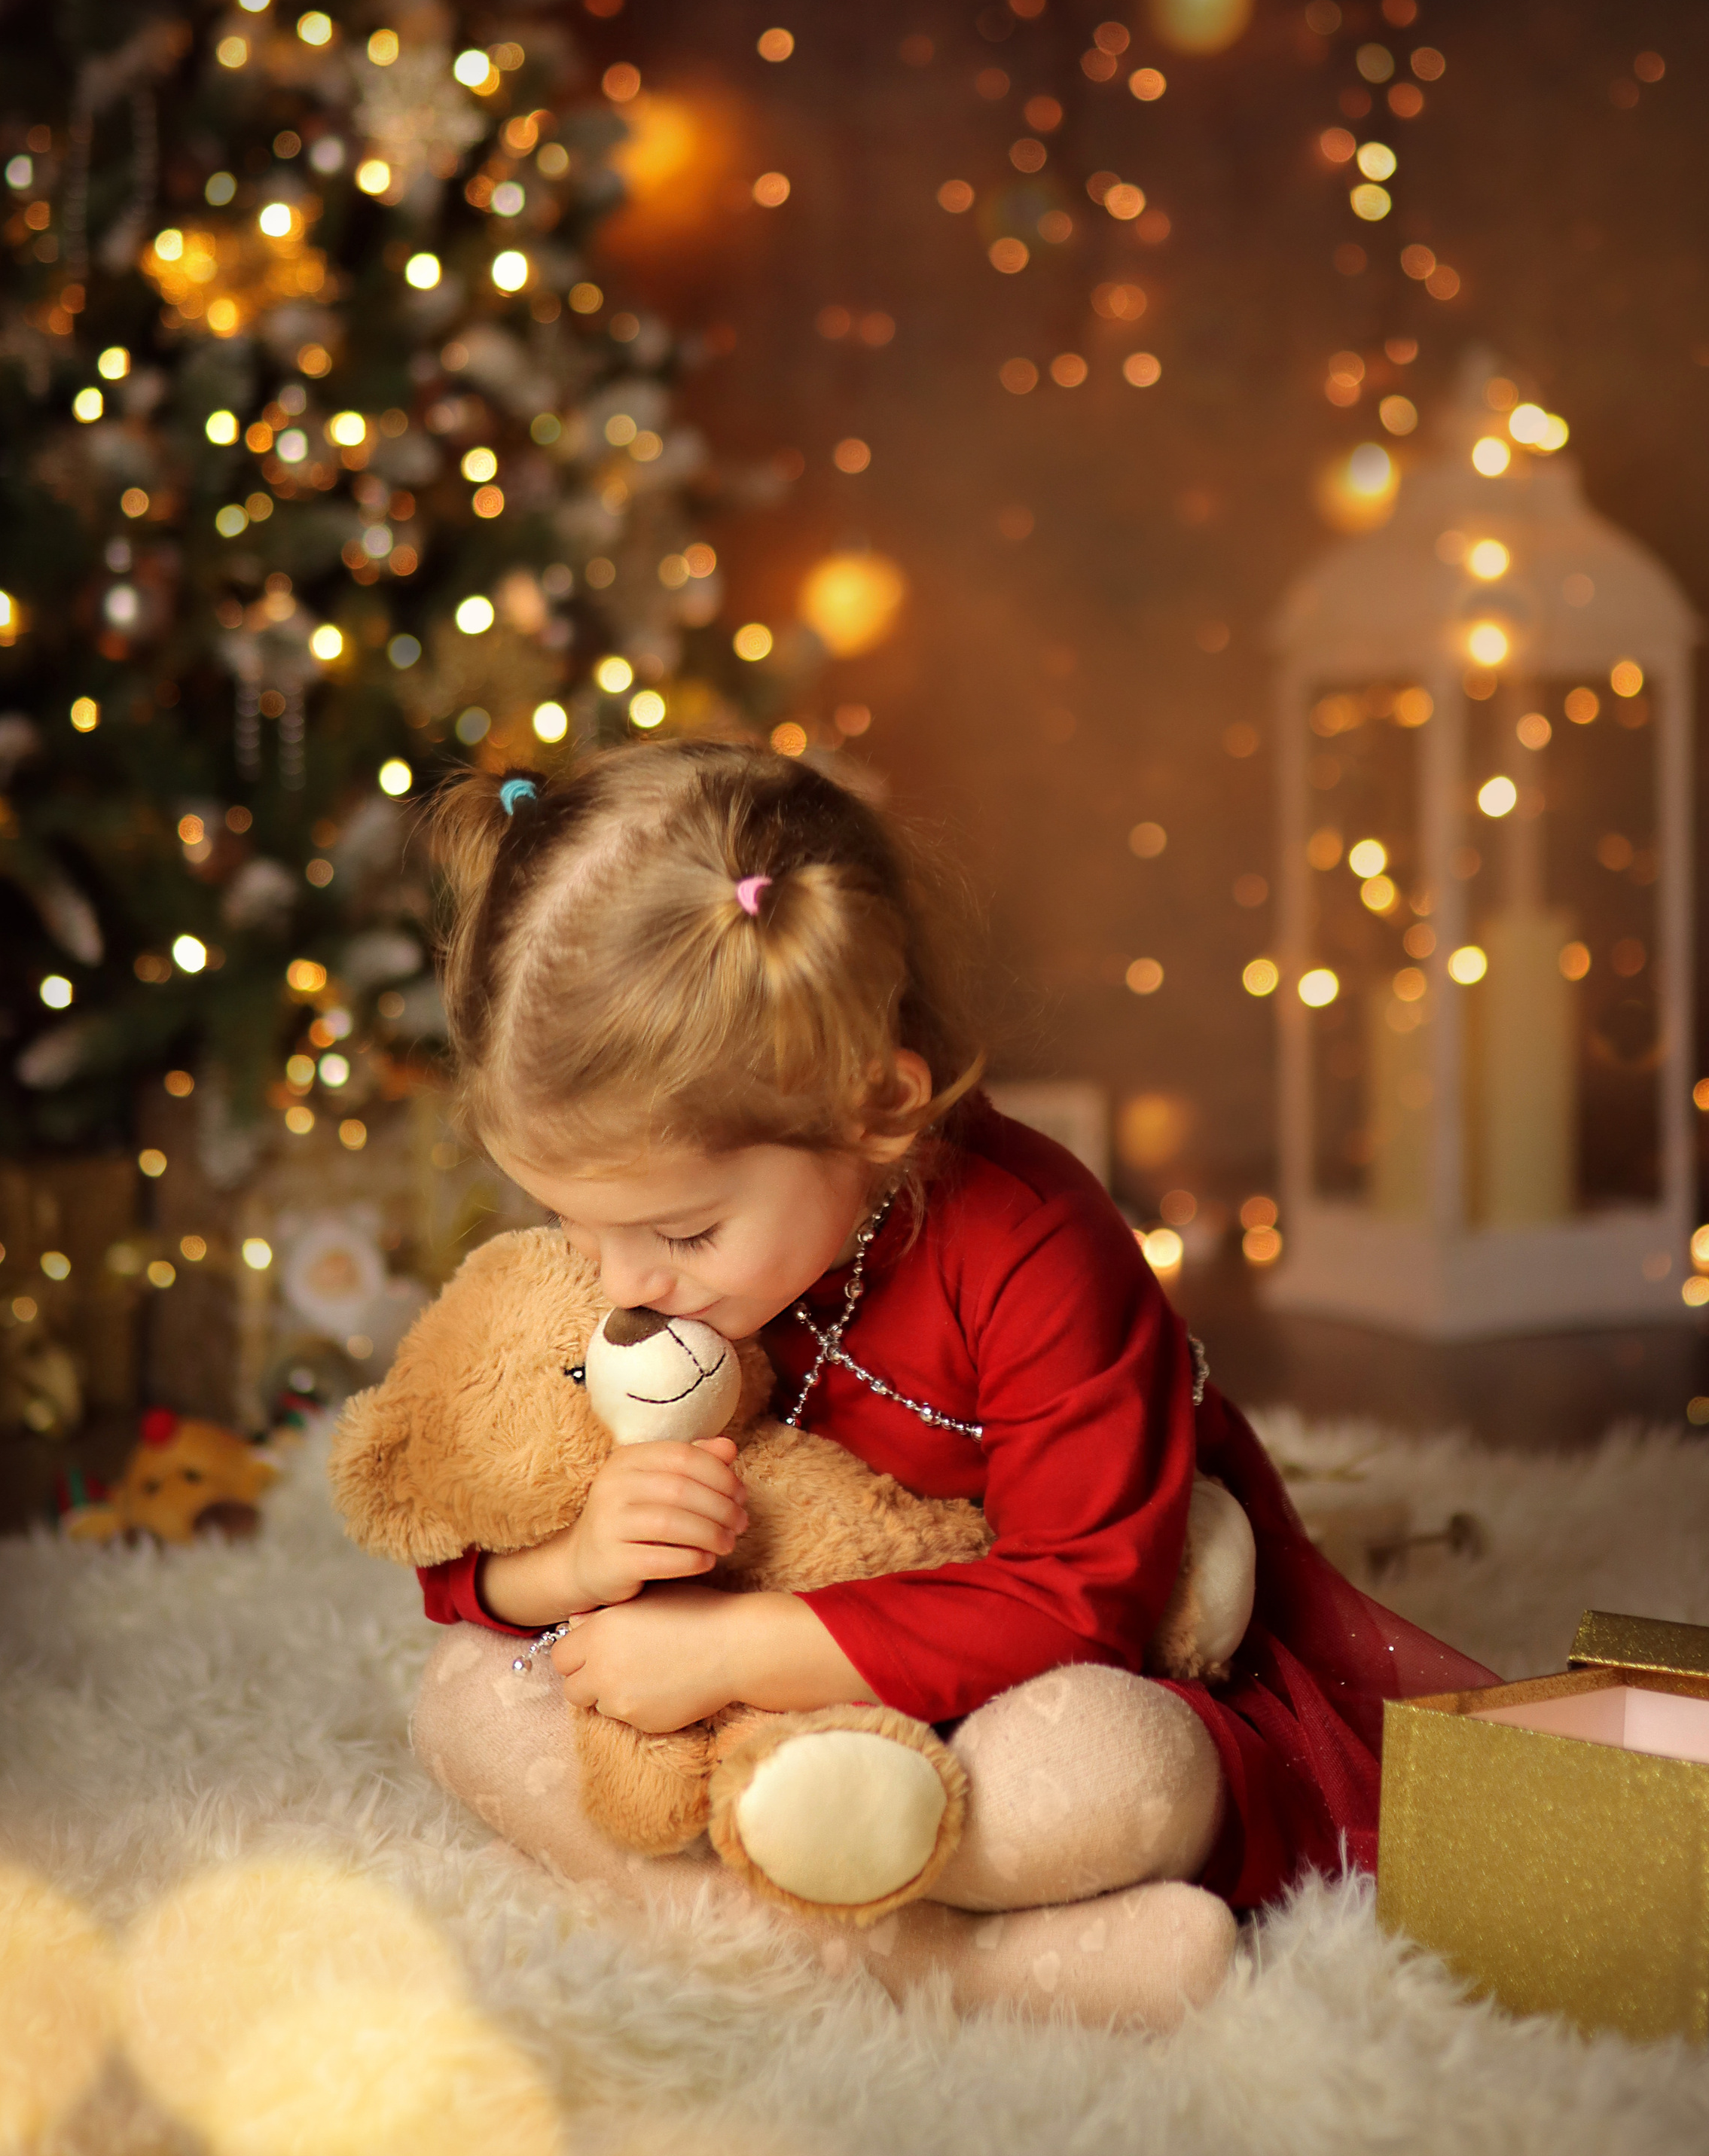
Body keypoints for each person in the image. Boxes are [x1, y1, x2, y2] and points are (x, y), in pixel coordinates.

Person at [403, 741, 1497, 2024]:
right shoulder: (637, 1256)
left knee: (1106, 1766)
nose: (629, 1282)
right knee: (467, 1700)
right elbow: (475, 1527)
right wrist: (575, 1569)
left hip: (1006, 1686)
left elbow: (1085, 1595)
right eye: (577, 1226)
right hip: (753, 1731)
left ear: (875, 1103)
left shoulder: (1036, 1248)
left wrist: (729, 1647)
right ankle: (944, 1964)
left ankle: (730, 1918)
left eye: (686, 1235)